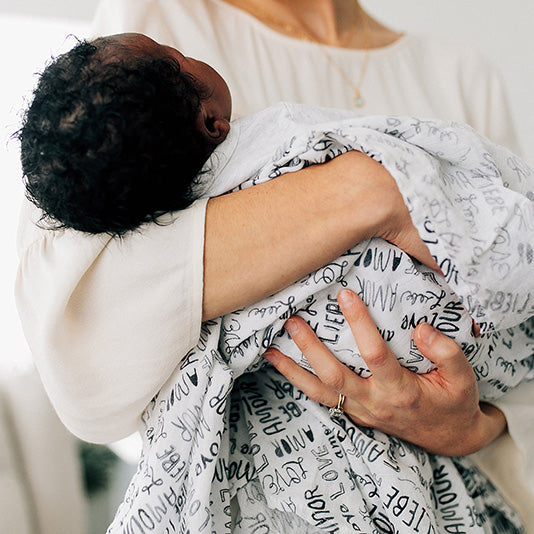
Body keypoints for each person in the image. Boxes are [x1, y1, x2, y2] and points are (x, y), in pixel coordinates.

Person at [14, 0, 532, 526]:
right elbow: (81, 357)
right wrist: (366, 192)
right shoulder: (142, 28)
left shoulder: (462, 72)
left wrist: (474, 429)